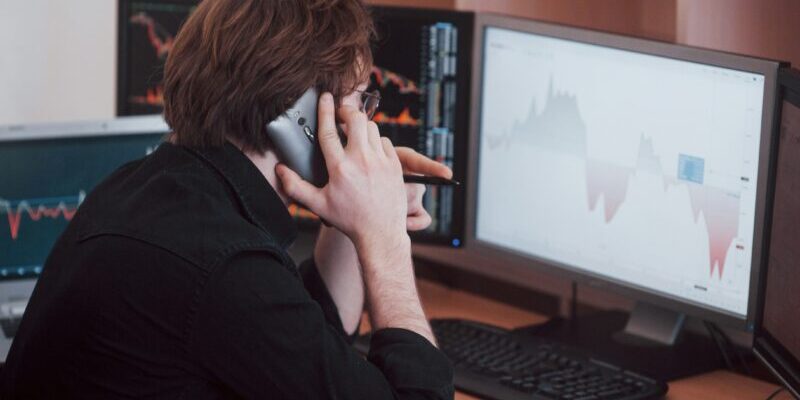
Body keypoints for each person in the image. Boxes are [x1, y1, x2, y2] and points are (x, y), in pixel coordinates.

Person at [0, 0, 455, 398]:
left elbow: (310, 354)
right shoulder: (222, 266)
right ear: (301, 117)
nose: (366, 128)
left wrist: (359, 209)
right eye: (360, 106)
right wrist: (387, 238)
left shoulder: (150, 190)